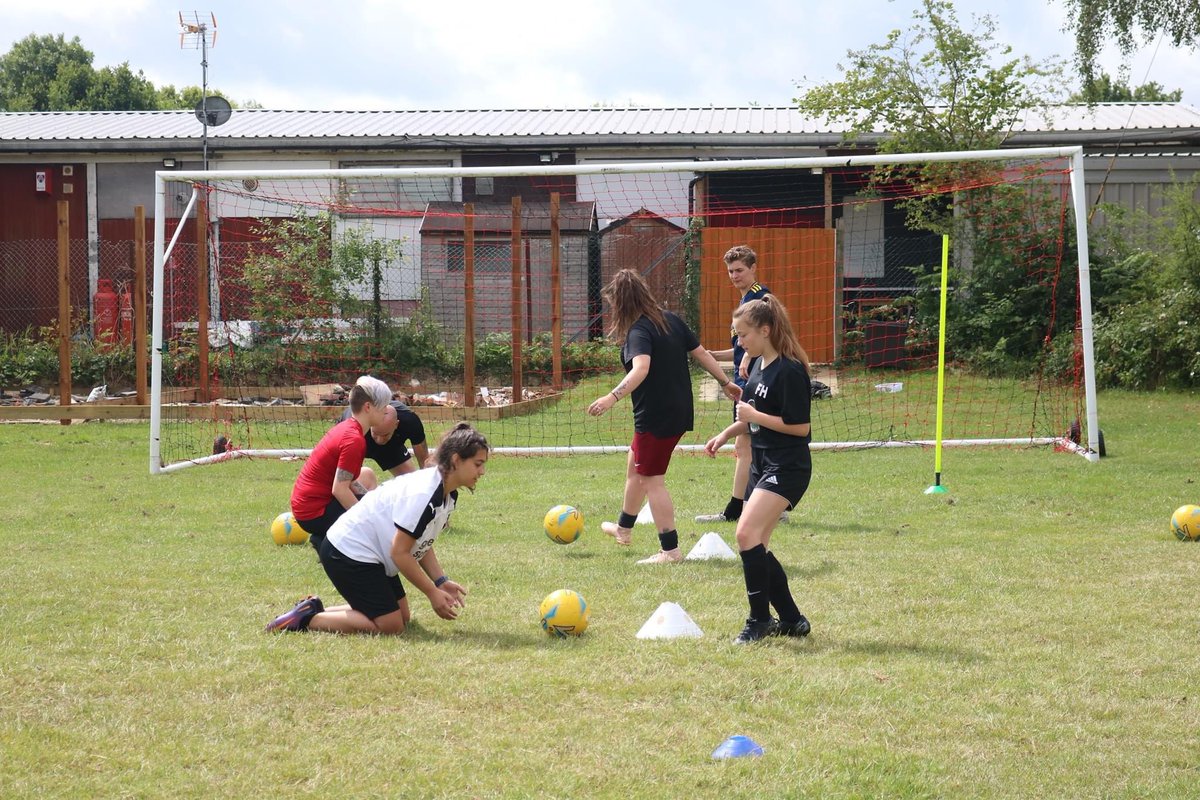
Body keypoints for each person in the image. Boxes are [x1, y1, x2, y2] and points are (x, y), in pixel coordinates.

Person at [265, 423, 489, 636]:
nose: (483, 472)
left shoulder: (447, 493)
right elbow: (400, 553)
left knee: (402, 617)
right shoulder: (425, 494)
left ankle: (311, 609)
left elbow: (420, 541)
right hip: (347, 552)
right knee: (391, 626)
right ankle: (305, 620)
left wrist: (441, 581)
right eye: (478, 464)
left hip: (371, 556)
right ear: (456, 460)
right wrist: (432, 593)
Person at [587, 269, 741, 564]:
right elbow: (703, 354)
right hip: (678, 409)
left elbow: (641, 368)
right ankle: (623, 528)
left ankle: (670, 551)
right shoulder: (671, 320)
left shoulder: (639, 332)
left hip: (656, 417)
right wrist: (725, 381)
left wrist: (611, 397)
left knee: (652, 480)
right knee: (635, 464)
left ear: (621, 303)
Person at [703, 295, 813, 644]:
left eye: (743, 335)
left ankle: (759, 620)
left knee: (745, 535)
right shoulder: (759, 368)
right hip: (763, 463)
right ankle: (793, 620)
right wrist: (726, 433)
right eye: (736, 335)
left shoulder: (790, 370)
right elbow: (751, 418)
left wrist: (752, 417)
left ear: (765, 330)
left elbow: (800, 428)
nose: (739, 342)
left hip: (788, 465)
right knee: (757, 545)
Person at [697, 244, 775, 524]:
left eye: (739, 270)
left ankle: (738, 510)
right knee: (749, 447)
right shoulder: (745, 302)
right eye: (730, 271)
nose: (734, 275)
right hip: (746, 380)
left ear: (753, 269)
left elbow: (771, 340)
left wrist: (751, 361)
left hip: (755, 382)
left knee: (746, 447)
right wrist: (710, 355)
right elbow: (742, 349)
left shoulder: (761, 299)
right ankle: (763, 507)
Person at [289, 375, 393, 552]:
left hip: (307, 507)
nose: (386, 410)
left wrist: (369, 500)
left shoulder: (349, 429)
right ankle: (326, 539)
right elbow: (340, 489)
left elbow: (349, 481)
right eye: (383, 406)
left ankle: (324, 537)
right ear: (368, 407)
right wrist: (367, 519)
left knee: (372, 504)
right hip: (312, 513)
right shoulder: (353, 440)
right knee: (372, 526)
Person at [341, 399, 430, 476]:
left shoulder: (410, 422)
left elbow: (424, 462)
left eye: (385, 435)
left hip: (390, 446)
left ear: (396, 425)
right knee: (358, 481)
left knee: (410, 483)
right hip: (361, 441)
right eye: (375, 433)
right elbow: (344, 481)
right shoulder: (354, 429)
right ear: (370, 423)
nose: (379, 440)